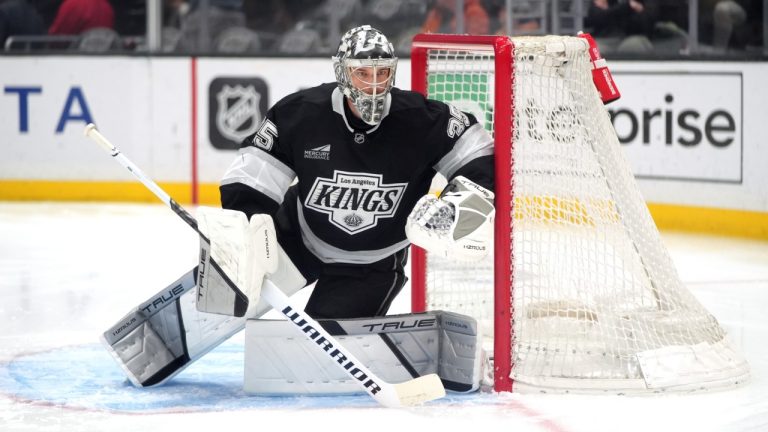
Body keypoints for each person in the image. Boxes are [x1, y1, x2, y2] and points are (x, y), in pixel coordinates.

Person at [220, 25, 495, 320]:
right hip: (296, 237)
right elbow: (255, 173)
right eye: (362, 73)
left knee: (322, 356)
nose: (374, 85)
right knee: (221, 303)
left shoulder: (419, 119)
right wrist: (246, 225)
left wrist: (457, 206)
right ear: (342, 73)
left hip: (370, 266)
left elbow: (479, 153)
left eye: (382, 73)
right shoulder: (302, 113)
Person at [585, 0, 659, 54]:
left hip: (635, 37)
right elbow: (596, 18)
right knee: (593, 51)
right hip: (607, 39)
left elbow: (647, 21)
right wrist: (628, 7)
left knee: (632, 46)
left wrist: (610, 12)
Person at [48, 0, 114, 35]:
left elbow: (57, 39)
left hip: (73, 57)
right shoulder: (106, 6)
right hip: (101, 57)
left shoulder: (73, 4)